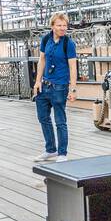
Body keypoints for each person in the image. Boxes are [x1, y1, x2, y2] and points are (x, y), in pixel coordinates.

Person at [33, 12, 78, 162]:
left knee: (60, 121)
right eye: (59, 25)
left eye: (65, 25)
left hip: (60, 86)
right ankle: (50, 149)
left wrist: (73, 89)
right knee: (43, 117)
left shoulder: (68, 43)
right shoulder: (45, 39)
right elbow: (42, 61)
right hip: (44, 86)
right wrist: (37, 81)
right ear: (52, 26)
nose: (62, 28)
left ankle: (62, 153)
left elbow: (73, 67)